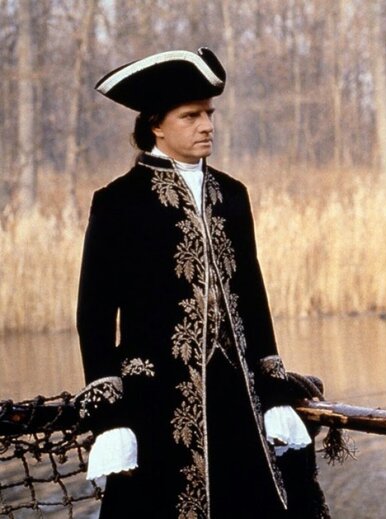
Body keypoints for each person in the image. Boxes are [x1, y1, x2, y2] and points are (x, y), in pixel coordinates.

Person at [74, 48, 327, 518]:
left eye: (209, 114)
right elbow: (94, 315)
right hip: (155, 407)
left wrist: (274, 393)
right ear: (155, 124)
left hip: (238, 403)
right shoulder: (118, 203)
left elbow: (252, 298)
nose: (207, 125)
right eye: (190, 116)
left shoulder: (232, 195)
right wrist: (110, 419)